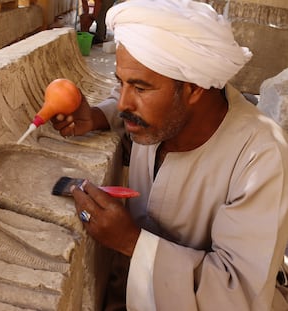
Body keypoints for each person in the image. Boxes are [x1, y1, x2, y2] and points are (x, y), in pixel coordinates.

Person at [52, 0, 288, 310]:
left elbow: (238, 293)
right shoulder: (158, 118)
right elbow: (122, 102)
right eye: (120, 82)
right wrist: (97, 116)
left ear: (194, 88)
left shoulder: (262, 156)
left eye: (139, 88)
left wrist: (131, 242)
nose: (124, 103)